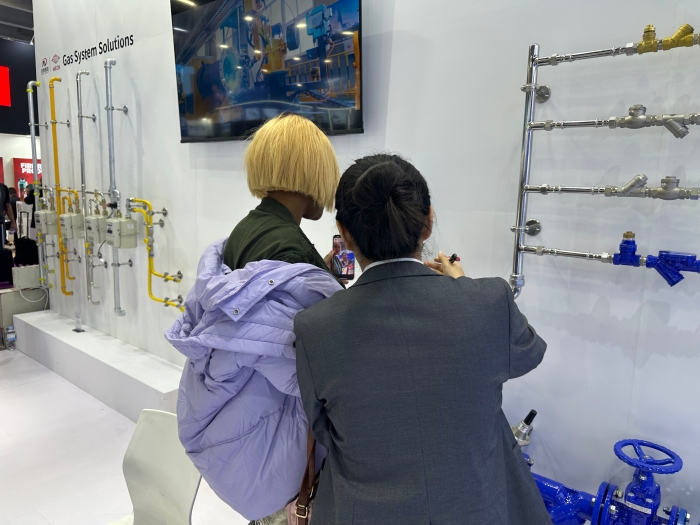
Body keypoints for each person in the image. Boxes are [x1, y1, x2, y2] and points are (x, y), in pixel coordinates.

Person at [294, 154, 551, 525]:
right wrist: (463, 285)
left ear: (344, 234)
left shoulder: (314, 327)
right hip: (477, 509)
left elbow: (323, 429)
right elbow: (529, 352)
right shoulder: (488, 302)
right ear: (428, 222)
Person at [165, 114, 343, 525]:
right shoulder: (289, 248)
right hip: (276, 440)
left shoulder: (249, 228)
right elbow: (305, 360)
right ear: (307, 174)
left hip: (240, 422)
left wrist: (317, 274)